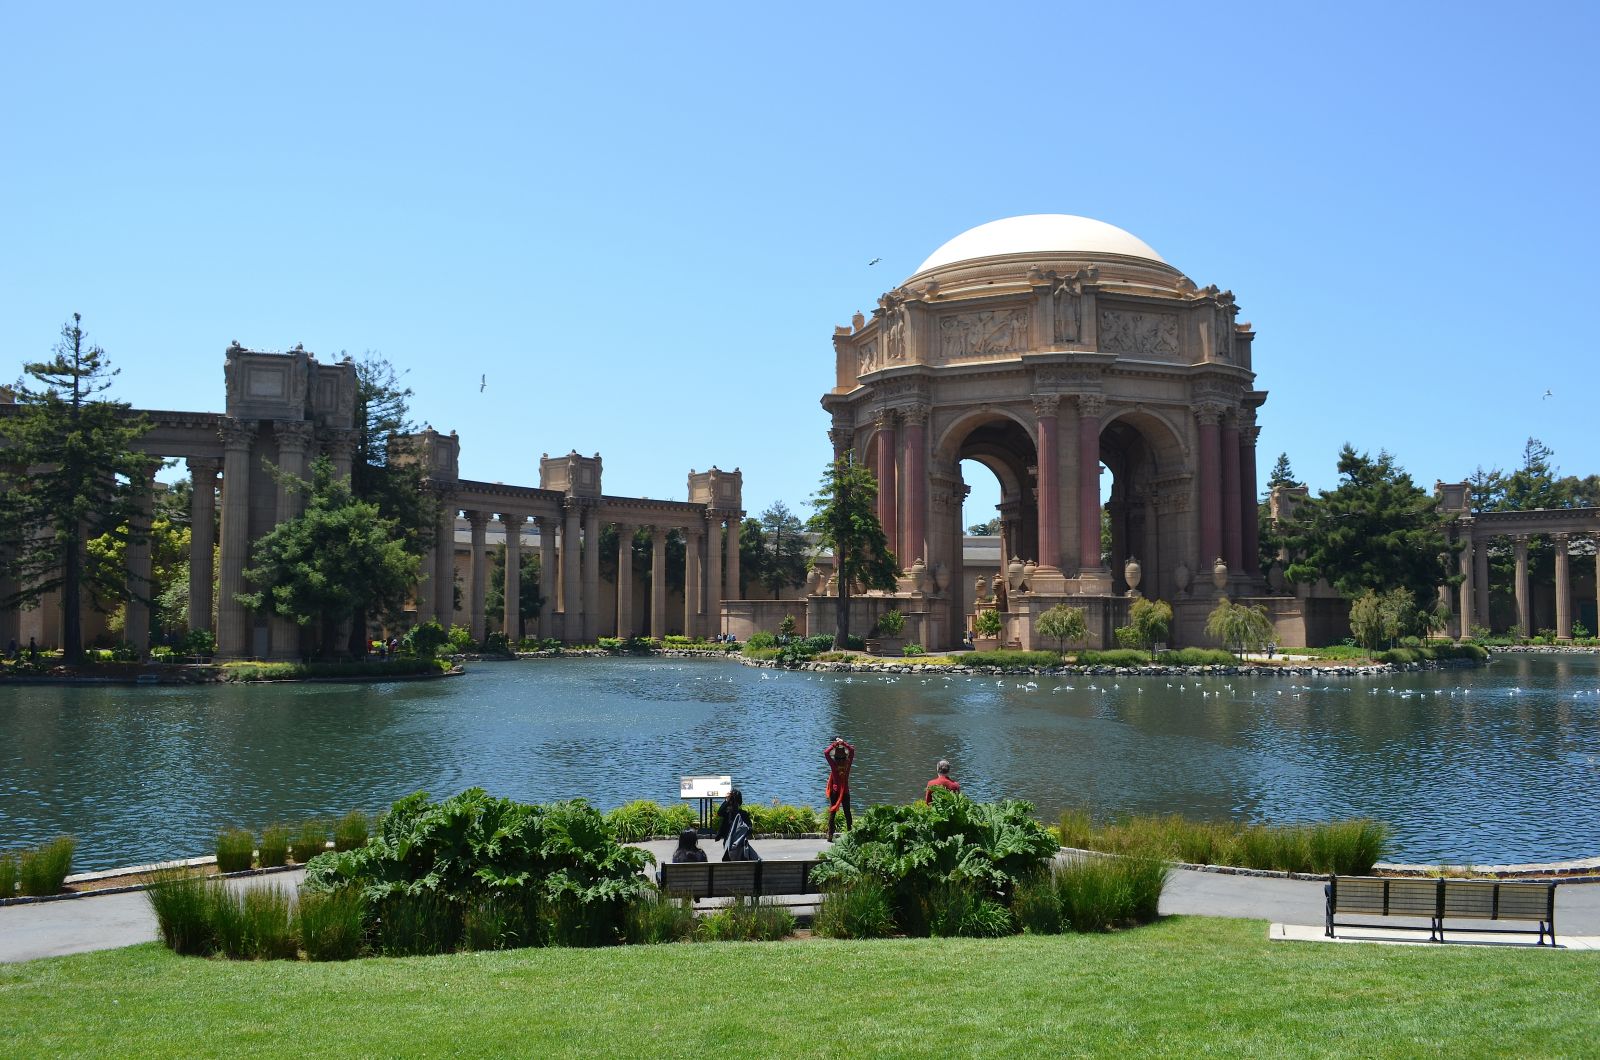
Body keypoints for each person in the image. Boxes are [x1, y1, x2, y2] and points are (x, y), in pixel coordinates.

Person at [713, 788, 759, 862]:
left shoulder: (730, 814)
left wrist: (727, 800)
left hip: (731, 842)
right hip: (739, 843)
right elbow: (719, 812)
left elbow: (720, 812)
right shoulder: (739, 814)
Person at [823, 737, 856, 841]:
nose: (840, 760)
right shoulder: (847, 764)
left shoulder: (834, 764)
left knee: (835, 813)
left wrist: (836, 744)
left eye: (839, 758)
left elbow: (826, 753)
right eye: (840, 758)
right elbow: (851, 750)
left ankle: (830, 835)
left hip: (837, 791)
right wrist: (842, 743)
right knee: (846, 813)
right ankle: (849, 834)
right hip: (843, 791)